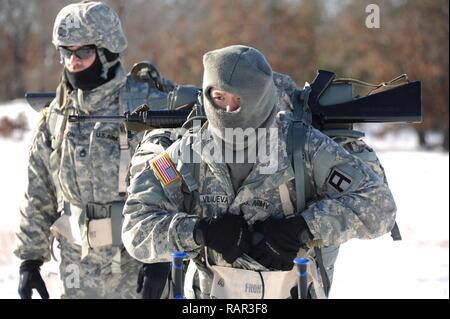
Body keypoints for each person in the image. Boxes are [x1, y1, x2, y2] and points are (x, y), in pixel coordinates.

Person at [121, 45, 397, 298]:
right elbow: (136, 226)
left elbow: (378, 204)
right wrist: (198, 232)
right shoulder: (187, 153)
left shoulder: (302, 146)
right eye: (218, 98)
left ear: (260, 97)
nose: (227, 110)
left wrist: (303, 228)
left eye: (237, 99)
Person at [14, 1, 175, 299]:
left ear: (107, 52)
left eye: (83, 52)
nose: (72, 62)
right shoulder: (57, 115)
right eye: (65, 52)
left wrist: (162, 257)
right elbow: (40, 191)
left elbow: (173, 186)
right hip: (77, 269)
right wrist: (30, 260)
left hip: (135, 265)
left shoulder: (145, 109)